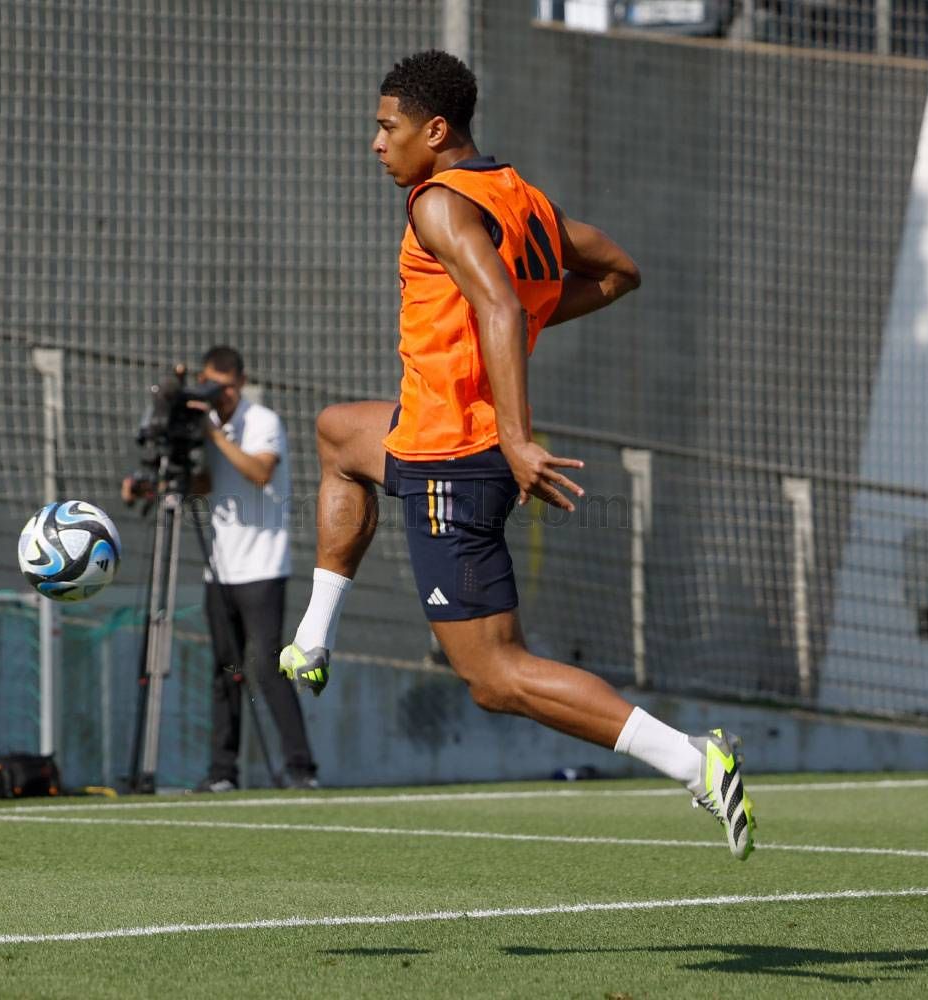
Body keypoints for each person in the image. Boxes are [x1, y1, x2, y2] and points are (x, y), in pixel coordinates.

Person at [278, 51, 753, 858]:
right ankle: (313, 637)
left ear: (435, 130)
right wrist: (525, 323)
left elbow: (499, 305)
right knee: (338, 433)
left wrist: (514, 433)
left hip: (453, 459)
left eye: (388, 128)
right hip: (427, 431)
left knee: (495, 677)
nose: (376, 143)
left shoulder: (438, 205)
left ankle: (692, 760)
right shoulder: (517, 195)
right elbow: (618, 272)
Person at [124, 346, 319, 792]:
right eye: (213, 385)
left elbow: (259, 472)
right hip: (221, 569)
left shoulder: (262, 421)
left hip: (263, 567)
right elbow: (209, 483)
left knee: (266, 667)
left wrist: (214, 435)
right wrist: (154, 486)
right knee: (225, 671)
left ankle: (301, 768)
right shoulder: (210, 427)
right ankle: (222, 772)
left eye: (228, 387)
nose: (221, 395)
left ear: (240, 384)